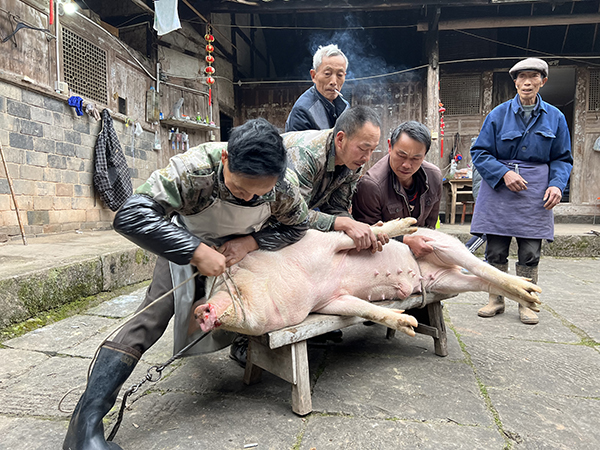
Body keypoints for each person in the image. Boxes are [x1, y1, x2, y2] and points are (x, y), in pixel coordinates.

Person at [63, 118, 309, 450]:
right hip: (184, 240)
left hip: (240, 250)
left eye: (259, 193)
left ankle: (241, 348)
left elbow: (297, 227)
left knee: (245, 307)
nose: (250, 198)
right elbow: (131, 214)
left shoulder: (284, 186)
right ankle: (85, 425)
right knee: (151, 318)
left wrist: (251, 242)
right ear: (225, 160)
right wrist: (194, 250)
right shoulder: (195, 168)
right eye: (240, 189)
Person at [230, 106, 389, 366]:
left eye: (373, 149)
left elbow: (336, 208)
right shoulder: (306, 155)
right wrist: (342, 224)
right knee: (265, 270)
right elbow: (291, 214)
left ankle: (309, 313)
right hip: (262, 213)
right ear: (341, 138)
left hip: (294, 215)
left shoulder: (353, 164)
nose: (367, 157)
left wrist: (357, 227)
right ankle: (244, 340)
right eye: (363, 148)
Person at [470, 57, 573, 325]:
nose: (527, 82)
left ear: (543, 81)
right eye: (522, 77)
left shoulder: (556, 117)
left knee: (529, 251)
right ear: (514, 82)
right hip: (499, 189)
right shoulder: (498, 115)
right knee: (495, 250)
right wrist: (504, 173)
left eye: (533, 77)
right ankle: (496, 299)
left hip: (536, 192)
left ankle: (526, 301)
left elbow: (562, 158)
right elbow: (479, 153)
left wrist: (556, 184)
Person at [352, 120, 443, 258]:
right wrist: (406, 241)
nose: (407, 165)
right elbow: (369, 234)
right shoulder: (371, 185)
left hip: (422, 251)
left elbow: (430, 226)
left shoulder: (434, 177)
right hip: (384, 254)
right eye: (401, 155)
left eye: (416, 158)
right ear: (390, 146)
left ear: (424, 155)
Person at [285, 44, 349, 132]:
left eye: (339, 75)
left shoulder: (345, 107)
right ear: (314, 76)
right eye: (327, 74)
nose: (334, 82)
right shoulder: (303, 111)